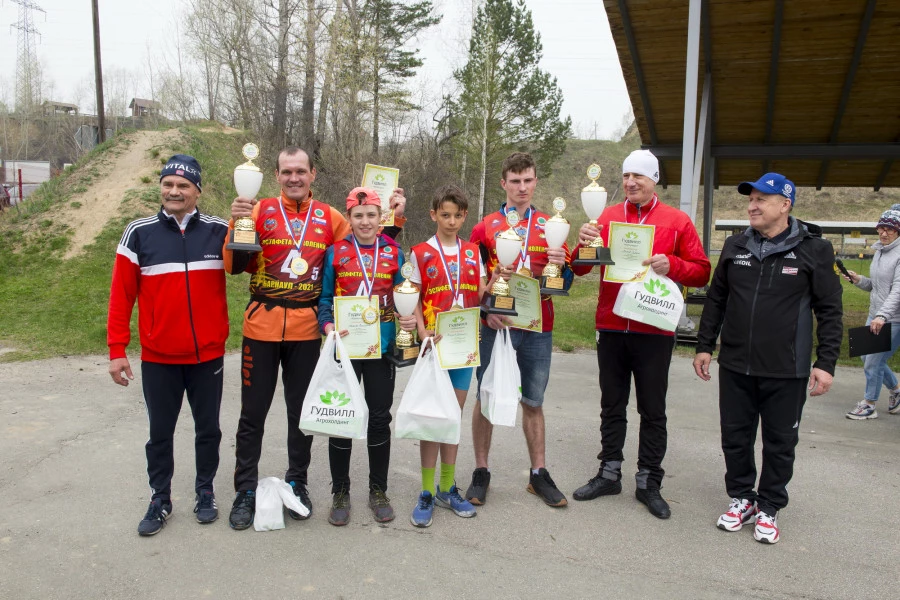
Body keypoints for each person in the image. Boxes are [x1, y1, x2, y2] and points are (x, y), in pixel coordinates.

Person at [224, 147, 406, 530]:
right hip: (262, 323)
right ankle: (244, 491)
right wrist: (235, 222)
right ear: (276, 175)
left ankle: (298, 482)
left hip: (309, 329)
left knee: (300, 415)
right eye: (287, 171)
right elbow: (233, 267)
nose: (294, 177)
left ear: (313, 174)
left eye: (301, 171)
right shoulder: (258, 210)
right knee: (252, 415)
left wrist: (393, 215)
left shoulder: (330, 217)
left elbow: (367, 245)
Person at [693, 172, 842, 544]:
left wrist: (825, 363)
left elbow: (830, 310)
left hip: (786, 369)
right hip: (736, 364)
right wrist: (705, 344)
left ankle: (770, 506)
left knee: (779, 443)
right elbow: (717, 299)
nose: (752, 206)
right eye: (750, 199)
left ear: (785, 205)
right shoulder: (735, 245)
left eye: (762, 199)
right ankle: (742, 497)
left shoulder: (814, 249)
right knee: (736, 437)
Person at [570, 149, 711, 519]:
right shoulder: (605, 216)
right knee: (611, 404)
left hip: (654, 328)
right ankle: (609, 472)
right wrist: (584, 242)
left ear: (654, 180)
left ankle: (649, 481)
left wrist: (673, 264)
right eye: (627, 176)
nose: (631, 182)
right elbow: (579, 269)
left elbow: (701, 271)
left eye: (640, 177)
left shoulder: (676, 221)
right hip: (612, 325)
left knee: (653, 408)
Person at [107, 154, 229, 536]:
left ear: (197, 191)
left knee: (208, 429)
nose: (174, 191)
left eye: (183, 186)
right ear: (161, 188)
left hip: (207, 354)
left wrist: (249, 217)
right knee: (160, 431)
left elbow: (252, 264)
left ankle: (205, 491)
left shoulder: (219, 231)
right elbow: (120, 295)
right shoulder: (138, 232)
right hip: (159, 357)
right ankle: (160, 497)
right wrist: (116, 350)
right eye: (168, 185)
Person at [466, 152, 570, 508]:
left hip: (539, 327)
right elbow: (472, 277)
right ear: (504, 183)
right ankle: (481, 470)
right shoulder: (486, 226)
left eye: (528, 180)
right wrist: (485, 310)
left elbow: (565, 280)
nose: (522, 187)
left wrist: (562, 267)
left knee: (534, 401)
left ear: (535, 181)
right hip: (498, 326)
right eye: (515, 181)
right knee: (486, 396)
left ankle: (538, 474)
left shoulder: (552, 224)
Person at [317, 187, 417, 526]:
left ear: (380, 218)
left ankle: (378, 490)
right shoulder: (335, 252)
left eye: (371, 215)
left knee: (378, 418)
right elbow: (325, 300)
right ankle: (340, 491)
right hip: (345, 347)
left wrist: (407, 317)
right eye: (358, 216)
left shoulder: (394, 251)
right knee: (341, 417)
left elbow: (405, 296)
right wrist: (328, 325)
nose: (365, 221)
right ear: (350, 218)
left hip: (381, 347)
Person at [408, 184, 488, 528]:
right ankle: (426, 490)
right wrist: (422, 331)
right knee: (431, 417)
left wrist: (501, 279)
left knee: (451, 417)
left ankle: (447, 486)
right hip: (435, 345)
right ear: (433, 215)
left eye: (457, 215)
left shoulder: (473, 252)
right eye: (445, 215)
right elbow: (409, 294)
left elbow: (483, 292)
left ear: (465, 216)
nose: (451, 221)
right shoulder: (421, 252)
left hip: (464, 347)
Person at [843, 204, 900, 420]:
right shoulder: (880, 252)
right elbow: (875, 286)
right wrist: (859, 280)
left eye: (890, 229)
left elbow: (897, 291)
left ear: (898, 231)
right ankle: (896, 390)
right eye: (881, 228)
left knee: (873, 362)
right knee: (866, 356)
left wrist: (882, 316)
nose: (884, 233)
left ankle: (869, 404)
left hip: (893, 318)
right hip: (875, 314)